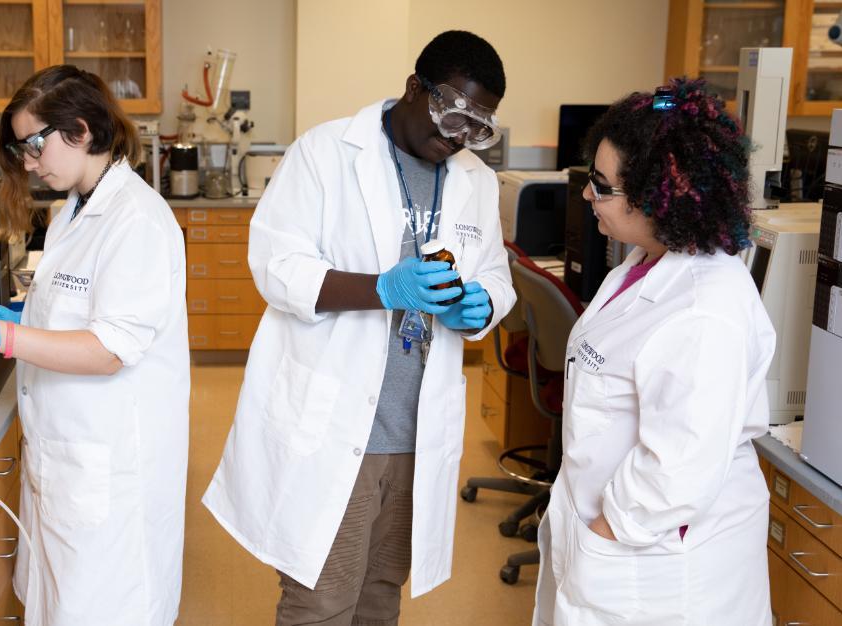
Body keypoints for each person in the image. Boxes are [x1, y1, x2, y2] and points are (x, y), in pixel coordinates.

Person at [202, 31, 516, 624]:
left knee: (380, 598)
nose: (457, 137)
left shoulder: (475, 180)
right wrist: (382, 288)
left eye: (477, 128)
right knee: (320, 605)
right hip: (336, 426)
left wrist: (481, 306)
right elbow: (277, 266)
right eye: (452, 114)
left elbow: (496, 276)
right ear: (414, 88)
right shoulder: (326, 152)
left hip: (414, 433)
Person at [0, 65, 189, 626]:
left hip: (109, 464)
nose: (28, 161)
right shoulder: (75, 208)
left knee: (100, 608)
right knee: (59, 603)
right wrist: (26, 314)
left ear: (82, 130)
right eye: (23, 148)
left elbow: (109, 349)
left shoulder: (136, 218)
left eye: (35, 144)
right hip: (68, 456)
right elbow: (85, 305)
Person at [532, 77, 776, 625]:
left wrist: (607, 530)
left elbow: (678, 468)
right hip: (613, 539)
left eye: (601, 185)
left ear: (662, 194)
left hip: (658, 566)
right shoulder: (646, 262)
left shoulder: (703, 309)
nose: (587, 194)